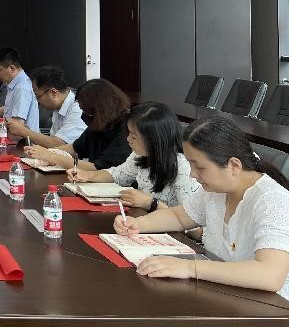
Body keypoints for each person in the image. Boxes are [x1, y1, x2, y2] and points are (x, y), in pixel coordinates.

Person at [113, 115, 289, 299]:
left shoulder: (272, 201)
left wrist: (190, 267)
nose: (192, 175)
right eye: (190, 165)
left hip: (270, 305)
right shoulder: (216, 190)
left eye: (200, 168)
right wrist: (138, 224)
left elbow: (270, 275)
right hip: (224, 291)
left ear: (233, 165)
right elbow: (179, 217)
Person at [67, 102, 200, 210]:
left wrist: (151, 203)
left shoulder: (183, 168)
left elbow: (190, 223)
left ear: (154, 139)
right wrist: (87, 175)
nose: (128, 139)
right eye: (128, 133)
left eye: (134, 136)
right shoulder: (140, 155)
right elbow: (118, 175)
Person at [24, 78, 131, 170]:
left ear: (100, 108)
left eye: (86, 110)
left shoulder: (126, 130)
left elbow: (98, 168)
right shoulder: (98, 124)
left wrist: (51, 156)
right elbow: (75, 148)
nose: (83, 115)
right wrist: (43, 152)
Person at [6, 65, 86, 147]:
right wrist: (26, 131)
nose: (37, 101)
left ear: (53, 92)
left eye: (38, 96)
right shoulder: (58, 107)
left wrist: (23, 131)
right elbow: (53, 140)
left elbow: (59, 144)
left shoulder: (77, 110)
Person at [0, 47, 38, 131]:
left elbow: (17, 123)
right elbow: (8, 108)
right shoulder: (14, 83)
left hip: (22, 138)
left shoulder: (22, 88)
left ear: (12, 68)